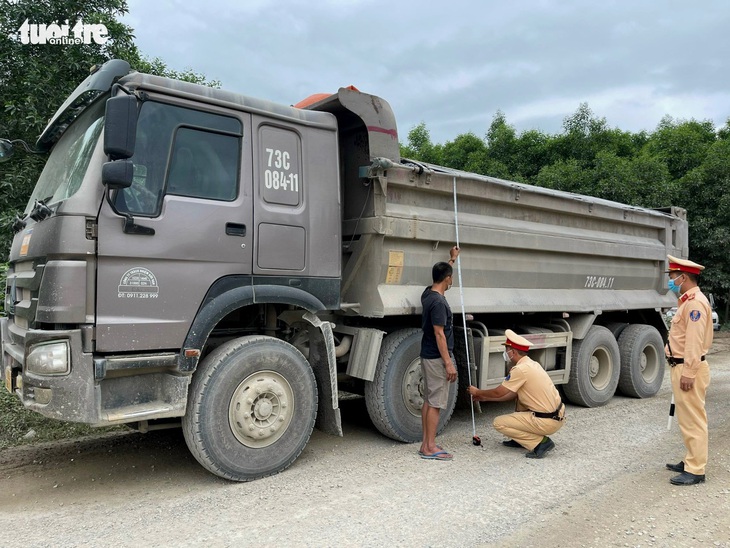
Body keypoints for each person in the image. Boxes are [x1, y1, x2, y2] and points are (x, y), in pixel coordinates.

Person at [467, 329, 565, 458]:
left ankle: (541, 443)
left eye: (507, 349)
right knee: (520, 400)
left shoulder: (520, 370)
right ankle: (520, 439)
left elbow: (499, 392)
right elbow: (512, 394)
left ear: (512, 352)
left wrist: (477, 391)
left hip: (545, 421)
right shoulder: (531, 364)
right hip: (557, 416)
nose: (505, 353)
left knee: (499, 423)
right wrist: (485, 397)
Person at [664, 254, 713, 486]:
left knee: (693, 419)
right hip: (681, 364)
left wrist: (689, 372)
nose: (670, 280)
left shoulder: (694, 303)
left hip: (688, 366)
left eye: (672, 276)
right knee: (687, 418)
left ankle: (696, 469)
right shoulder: (687, 301)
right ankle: (691, 459)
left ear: (683, 277)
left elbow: (694, 341)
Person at [418, 246, 460, 460]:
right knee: (435, 403)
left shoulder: (428, 294)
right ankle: (429, 447)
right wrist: (448, 363)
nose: (451, 281)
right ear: (448, 280)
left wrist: (451, 260)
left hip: (427, 354)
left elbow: (443, 274)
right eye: (451, 278)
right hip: (436, 357)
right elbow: (439, 334)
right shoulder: (439, 304)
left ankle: (426, 443)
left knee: (429, 400)